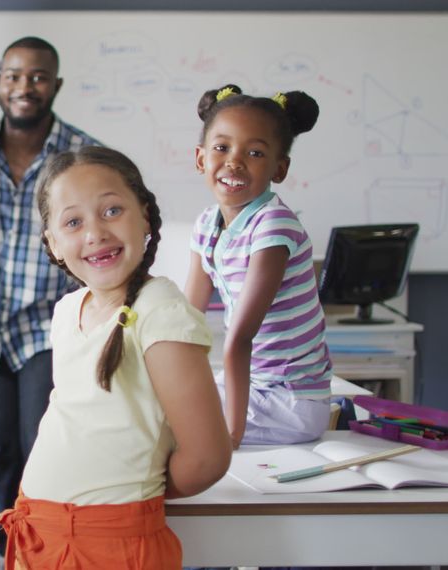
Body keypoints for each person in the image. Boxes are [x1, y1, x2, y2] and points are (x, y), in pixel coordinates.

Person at [0, 146, 232, 569]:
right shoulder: (68, 310)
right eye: (73, 222)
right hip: (36, 532)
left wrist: (131, 492)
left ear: (145, 216)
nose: (94, 233)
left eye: (112, 210)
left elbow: (207, 457)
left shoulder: (162, 312)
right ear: (54, 244)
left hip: (112, 544)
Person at [0, 36, 102, 523]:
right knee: (1, 448)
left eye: (37, 76)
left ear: (56, 85)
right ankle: (10, 544)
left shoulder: (84, 155)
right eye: (14, 76)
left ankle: (46, 540)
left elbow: (103, 238)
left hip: (53, 326)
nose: (24, 86)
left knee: (41, 445)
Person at [186, 84, 332, 449]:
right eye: (222, 148)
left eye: (254, 152)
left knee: (173, 424)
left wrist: (231, 435)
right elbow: (186, 319)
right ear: (201, 158)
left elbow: (239, 338)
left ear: (279, 169)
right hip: (254, 387)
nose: (234, 161)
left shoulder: (273, 226)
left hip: (290, 399)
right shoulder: (206, 224)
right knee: (154, 404)